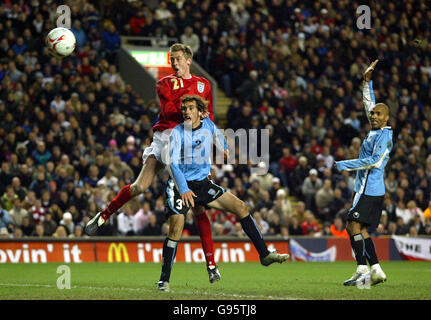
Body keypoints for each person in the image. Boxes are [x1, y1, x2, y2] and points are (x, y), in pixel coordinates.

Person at [85, 43, 221, 282]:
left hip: (188, 144)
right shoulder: (164, 83)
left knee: (199, 205)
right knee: (140, 187)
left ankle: (211, 265)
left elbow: (206, 116)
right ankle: (104, 215)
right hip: (165, 138)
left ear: (189, 59)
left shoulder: (204, 85)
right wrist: (191, 106)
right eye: (172, 60)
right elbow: (170, 111)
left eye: (178, 59)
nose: (174, 63)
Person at [157, 95, 289, 292]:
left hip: (202, 184)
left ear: (200, 112)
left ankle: (264, 255)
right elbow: (172, 163)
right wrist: (183, 189)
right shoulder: (177, 133)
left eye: (190, 108)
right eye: (184, 108)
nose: (186, 111)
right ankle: (164, 280)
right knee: (176, 226)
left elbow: (219, 136)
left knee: (241, 207)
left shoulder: (208, 124)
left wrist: (225, 149)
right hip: (179, 185)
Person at [334, 60, 391, 286]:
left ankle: (364, 268)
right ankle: (372, 269)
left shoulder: (385, 136)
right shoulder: (375, 130)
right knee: (358, 229)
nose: (374, 116)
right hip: (364, 189)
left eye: (378, 114)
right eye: (373, 114)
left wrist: (344, 165)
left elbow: (374, 162)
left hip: (370, 189)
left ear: (387, 118)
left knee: (353, 226)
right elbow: (369, 103)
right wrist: (367, 82)